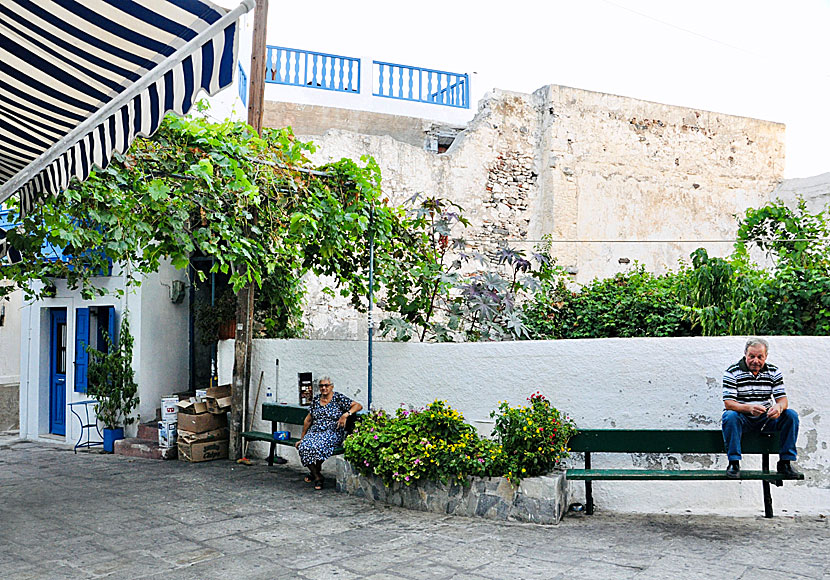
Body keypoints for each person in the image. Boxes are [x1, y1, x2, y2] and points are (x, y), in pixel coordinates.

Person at [722, 337, 799, 479]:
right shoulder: (732, 372)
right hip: (742, 419)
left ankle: (785, 462)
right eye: (751, 356)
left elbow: (783, 400)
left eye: (760, 357)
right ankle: (734, 463)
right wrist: (749, 408)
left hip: (766, 419)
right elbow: (729, 403)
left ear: (766, 357)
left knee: (791, 415)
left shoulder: (774, 371)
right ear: (745, 354)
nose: (755, 361)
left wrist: (778, 407)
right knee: (730, 416)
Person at [294, 377, 362, 490]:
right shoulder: (316, 400)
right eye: (321, 386)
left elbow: (358, 406)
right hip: (315, 432)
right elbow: (308, 420)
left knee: (316, 447)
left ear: (332, 386)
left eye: (326, 385)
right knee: (303, 447)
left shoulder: (338, 398)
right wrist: (303, 438)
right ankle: (318, 476)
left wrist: (346, 415)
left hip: (332, 433)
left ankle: (315, 474)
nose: (324, 388)